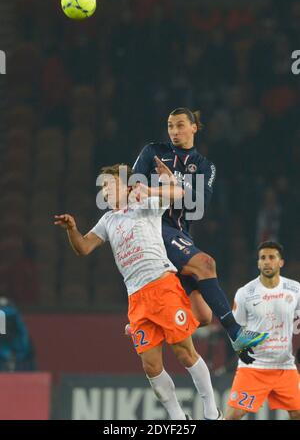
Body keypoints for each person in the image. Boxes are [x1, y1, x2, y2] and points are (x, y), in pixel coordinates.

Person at [54, 163, 222, 420]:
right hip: (137, 299)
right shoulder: (108, 220)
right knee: (151, 366)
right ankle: (179, 419)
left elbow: (177, 194)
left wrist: (159, 187)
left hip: (162, 286)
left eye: (108, 185)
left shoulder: (145, 204)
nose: (104, 191)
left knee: (183, 352)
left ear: (126, 186)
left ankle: (212, 411)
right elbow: (84, 248)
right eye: (103, 187)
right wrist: (72, 230)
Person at [132, 107, 268, 356]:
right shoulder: (152, 152)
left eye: (181, 125)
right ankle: (236, 333)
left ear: (194, 128)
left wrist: (171, 185)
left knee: (202, 316)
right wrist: (170, 190)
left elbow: (198, 204)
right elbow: (134, 189)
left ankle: (145, 324)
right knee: (205, 264)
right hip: (153, 227)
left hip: (180, 233)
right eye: (171, 125)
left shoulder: (204, 166)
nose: (174, 131)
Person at [226, 241, 300, 420]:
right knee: (234, 415)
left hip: (285, 367)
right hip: (254, 368)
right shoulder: (245, 293)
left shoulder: (295, 290)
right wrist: (242, 349)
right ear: (258, 263)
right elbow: (235, 328)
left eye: (272, 257)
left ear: (280, 262)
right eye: (263, 258)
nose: (267, 262)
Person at [0, 297, 36, 371]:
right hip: (20, 355)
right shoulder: (15, 313)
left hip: (13, 353)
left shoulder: (14, 314)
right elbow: (24, 334)